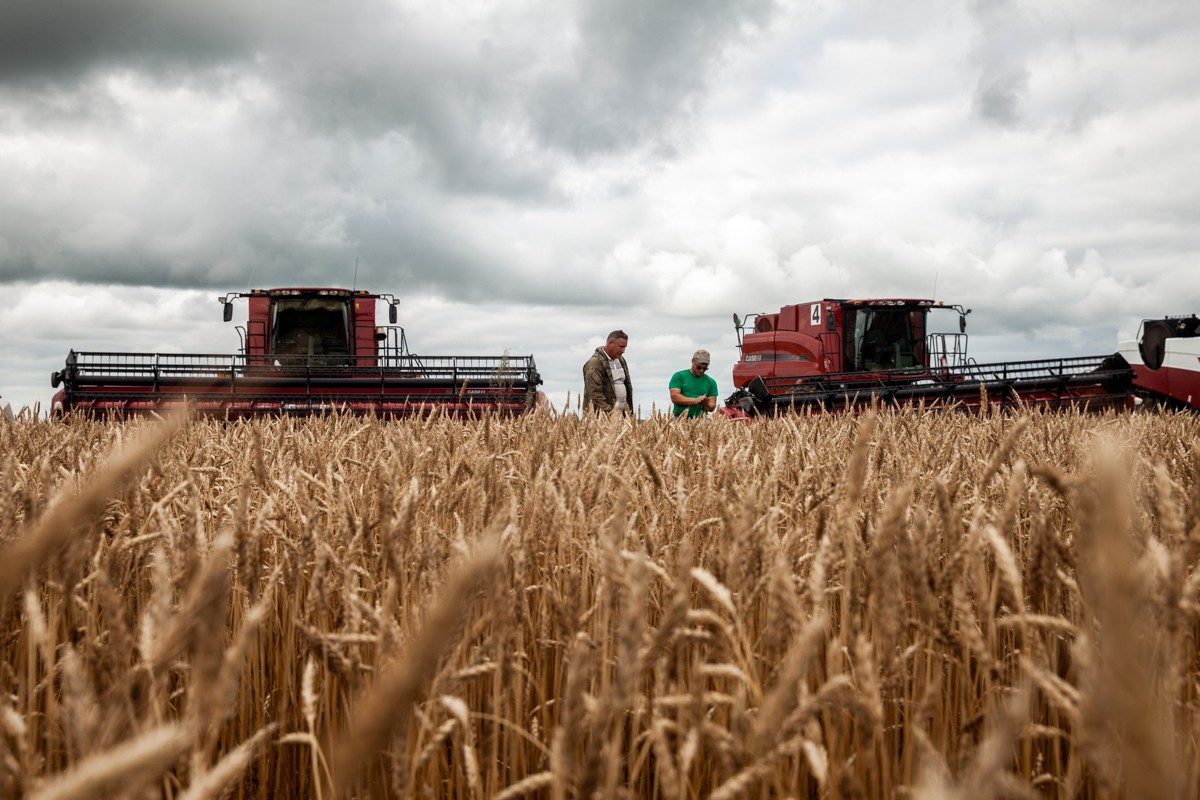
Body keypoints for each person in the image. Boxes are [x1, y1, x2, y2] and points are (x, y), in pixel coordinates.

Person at [582, 330, 633, 414]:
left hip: (622, 415)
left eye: (625, 347)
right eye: (621, 347)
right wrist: (610, 413)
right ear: (610, 343)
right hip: (602, 418)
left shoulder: (621, 360)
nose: (623, 351)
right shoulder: (594, 363)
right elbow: (595, 393)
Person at [670, 350, 718, 417]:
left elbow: (712, 406)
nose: (701, 370)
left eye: (705, 368)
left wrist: (705, 404)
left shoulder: (711, 382)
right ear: (692, 361)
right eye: (699, 367)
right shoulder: (679, 376)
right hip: (679, 418)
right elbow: (675, 397)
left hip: (701, 421)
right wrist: (695, 400)